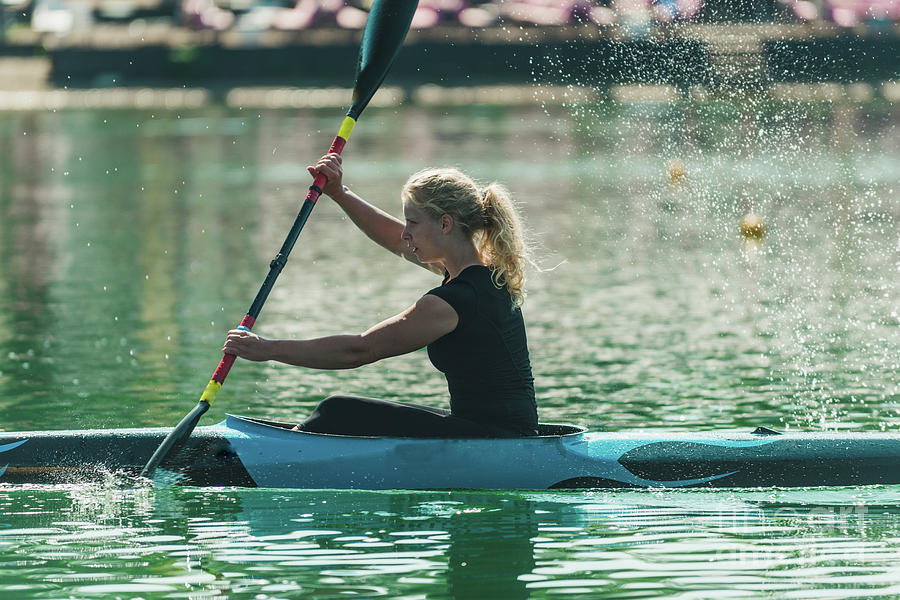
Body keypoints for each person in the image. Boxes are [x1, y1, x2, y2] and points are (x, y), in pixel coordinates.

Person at [222, 153, 538, 438]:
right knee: (347, 413)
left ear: (445, 224)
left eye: (412, 222)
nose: (405, 232)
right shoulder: (486, 276)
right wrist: (339, 193)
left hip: (496, 441)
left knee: (338, 410)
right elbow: (397, 242)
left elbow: (359, 350)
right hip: (499, 431)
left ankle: (279, 453)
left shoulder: (450, 303)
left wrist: (268, 349)